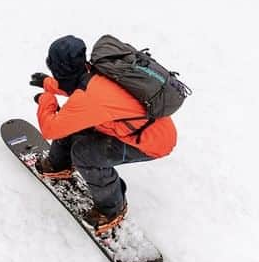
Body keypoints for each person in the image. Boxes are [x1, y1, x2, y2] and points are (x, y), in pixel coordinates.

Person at [30, 35, 177, 234]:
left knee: (85, 154)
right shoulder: (97, 70)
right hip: (142, 126)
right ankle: (59, 164)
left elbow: (50, 129)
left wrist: (46, 100)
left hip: (152, 142)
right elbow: (80, 88)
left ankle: (112, 209)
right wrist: (49, 84)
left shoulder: (88, 99)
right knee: (74, 121)